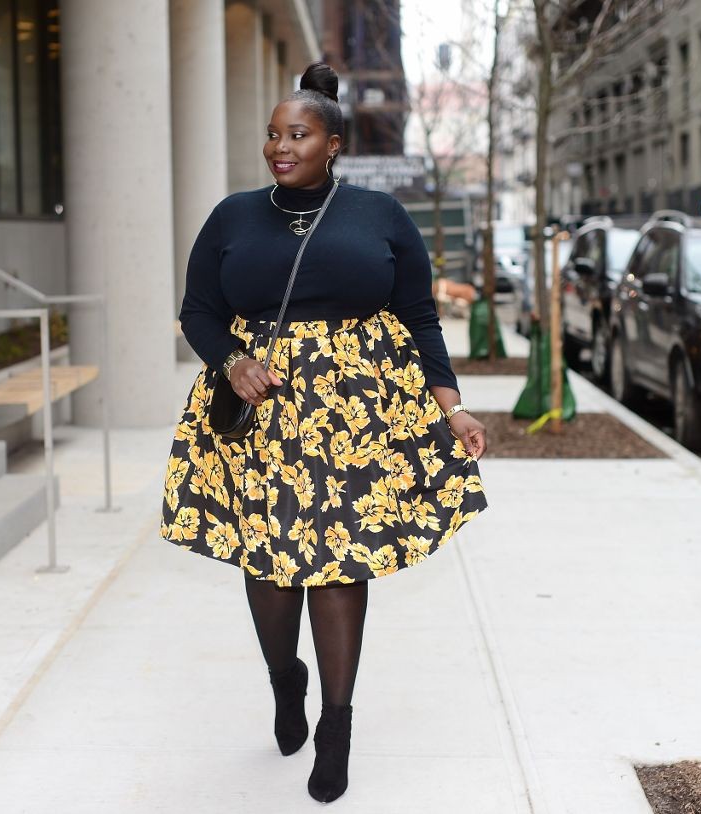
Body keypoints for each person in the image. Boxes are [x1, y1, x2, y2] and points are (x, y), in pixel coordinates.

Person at [161, 62, 488, 804]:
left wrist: (451, 405)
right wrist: (231, 360)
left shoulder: (381, 216)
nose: (281, 146)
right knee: (270, 566)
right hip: (259, 411)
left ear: (332, 143)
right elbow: (198, 312)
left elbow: (420, 317)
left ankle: (335, 728)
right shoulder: (233, 217)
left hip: (359, 413)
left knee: (342, 563)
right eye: (273, 134)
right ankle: (287, 681)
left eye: (298, 134)